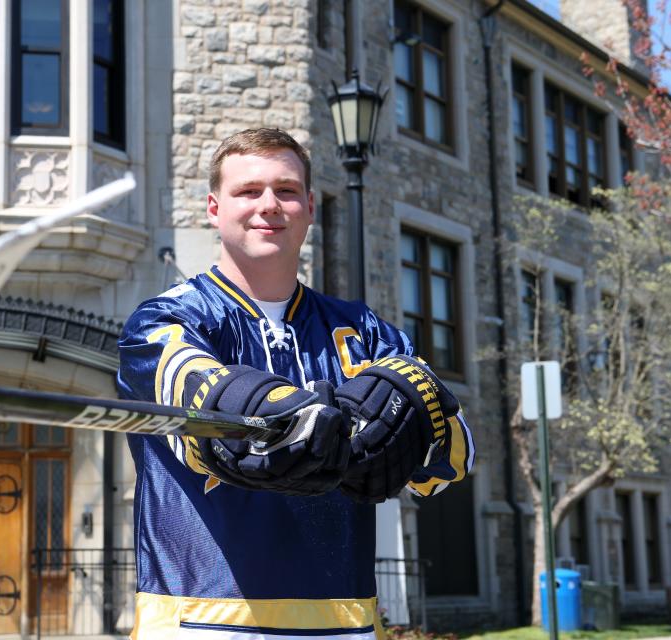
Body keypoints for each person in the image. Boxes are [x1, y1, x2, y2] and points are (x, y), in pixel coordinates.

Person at [117, 128, 475, 639]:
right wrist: (294, 422)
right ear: (215, 209)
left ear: (309, 206)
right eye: (248, 191)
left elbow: (452, 459)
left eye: (286, 191)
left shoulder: (366, 330)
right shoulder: (164, 322)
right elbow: (197, 396)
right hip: (203, 622)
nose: (269, 205)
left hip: (345, 625)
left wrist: (416, 424)